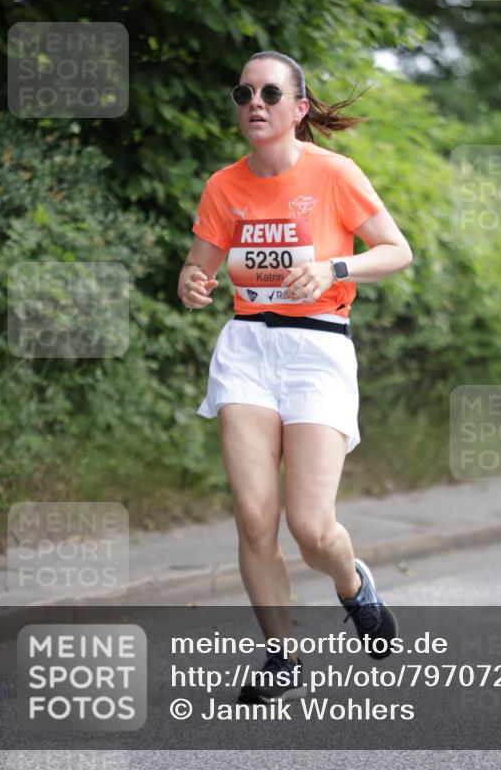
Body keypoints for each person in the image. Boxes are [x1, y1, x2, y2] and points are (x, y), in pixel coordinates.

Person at [178, 50, 413, 703]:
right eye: (244, 92)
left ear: (298, 108)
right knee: (254, 517)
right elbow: (197, 268)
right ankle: (280, 656)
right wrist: (193, 283)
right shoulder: (223, 186)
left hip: (317, 351)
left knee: (312, 529)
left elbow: (397, 250)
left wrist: (336, 270)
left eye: (270, 93)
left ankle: (352, 585)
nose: (255, 102)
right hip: (247, 349)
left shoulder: (333, 174)